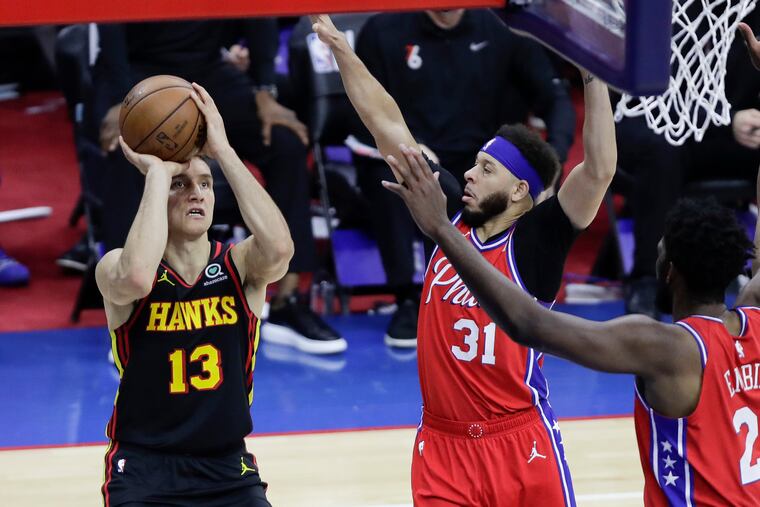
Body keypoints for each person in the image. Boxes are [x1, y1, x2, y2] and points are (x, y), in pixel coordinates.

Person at [310, 13, 615, 505]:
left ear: (520, 190)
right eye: (474, 163)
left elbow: (598, 170)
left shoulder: (537, 241)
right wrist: (341, 49)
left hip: (520, 443)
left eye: (486, 168)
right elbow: (387, 122)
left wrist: (593, 76)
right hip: (443, 448)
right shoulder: (446, 213)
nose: (469, 174)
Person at [87, 19, 345, 354]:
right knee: (122, 152)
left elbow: (258, 14)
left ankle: (289, 301)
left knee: (285, 142)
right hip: (139, 75)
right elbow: (111, 26)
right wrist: (121, 99)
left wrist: (265, 90)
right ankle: (133, 312)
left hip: (206, 74)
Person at [96, 83, 291, 506]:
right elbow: (137, 280)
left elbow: (279, 249)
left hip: (227, 465)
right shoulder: (115, 266)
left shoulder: (239, 265)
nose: (197, 192)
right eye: (181, 185)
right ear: (154, 193)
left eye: (205, 184)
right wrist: (158, 172)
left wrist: (222, 151)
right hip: (144, 465)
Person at [352, 9, 577, 347]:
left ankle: (504, 293)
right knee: (394, 173)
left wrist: (554, 161)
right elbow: (362, 111)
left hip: (483, 160)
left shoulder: (506, 27)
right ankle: (408, 299)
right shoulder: (382, 30)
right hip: (416, 152)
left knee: (504, 184)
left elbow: (555, 98)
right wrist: (410, 148)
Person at [617, 9, 760, 319]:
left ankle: (757, 280)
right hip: (685, 129)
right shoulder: (674, 11)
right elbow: (661, 105)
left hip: (747, 137)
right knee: (660, 150)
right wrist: (728, 121)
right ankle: (646, 282)